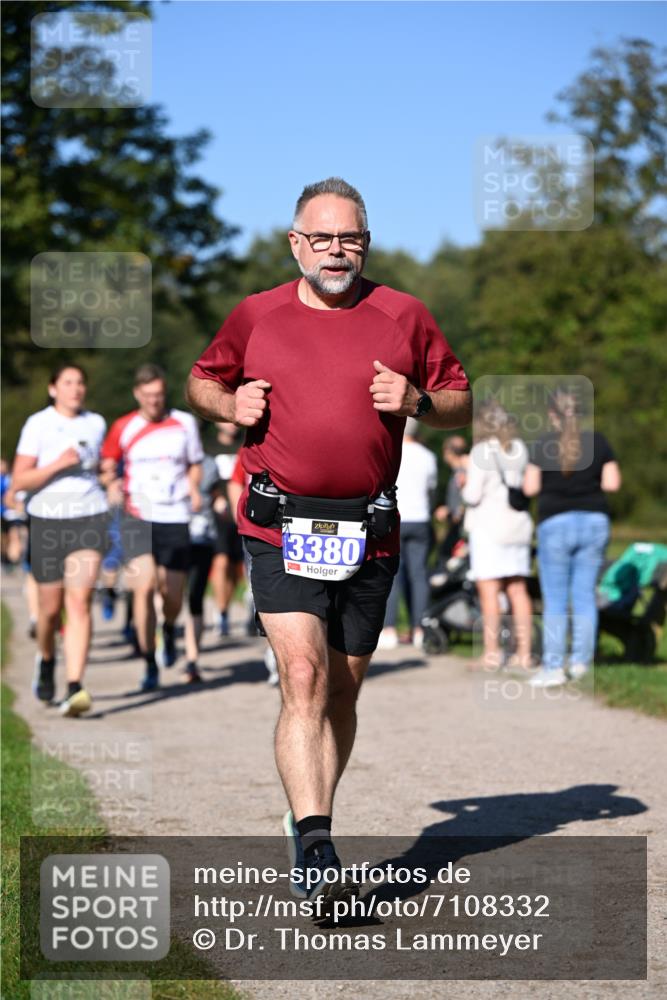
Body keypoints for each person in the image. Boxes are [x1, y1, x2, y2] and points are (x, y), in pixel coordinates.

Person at [186, 177, 471, 901]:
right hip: (276, 521)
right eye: (322, 238)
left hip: (369, 526)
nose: (336, 251)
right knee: (304, 677)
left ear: (365, 244)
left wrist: (417, 402)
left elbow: (461, 401)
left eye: (350, 239)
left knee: (341, 692)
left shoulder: (403, 315)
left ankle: (308, 811)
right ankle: (317, 850)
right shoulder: (256, 315)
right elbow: (201, 381)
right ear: (295, 243)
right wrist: (230, 398)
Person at [11, 364, 108, 716]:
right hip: (48, 520)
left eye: (80, 382)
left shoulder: (96, 423)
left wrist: (107, 473)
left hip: (89, 516)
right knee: (50, 611)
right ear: (53, 388)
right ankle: (48, 659)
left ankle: (75, 686)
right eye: (68, 383)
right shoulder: (38, 424)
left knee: (79, 601)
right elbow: (20, 480)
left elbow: (98, 468)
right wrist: (57, 465)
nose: (75, 388)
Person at [101, 364, 203, 692]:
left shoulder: (184, 423)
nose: (154, 402)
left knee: (172, 595)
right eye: (148, 397)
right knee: (142, 588)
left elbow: (195, 463)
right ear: (137, 395)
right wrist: (110, 483)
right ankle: (148, 661)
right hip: (137, 515)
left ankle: (169, 628)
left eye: (159, 395)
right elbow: (106, 465)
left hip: (174, 515)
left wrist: (195, 487)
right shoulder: (123, 427)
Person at [524, 389, 621, 686]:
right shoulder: (598, 441)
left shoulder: (542, 444)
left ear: (552, 415)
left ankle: (553, 667)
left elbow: (529, 488)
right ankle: (580, 663)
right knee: (584, 596)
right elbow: (612, 483)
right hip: (594, 521)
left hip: (555, 524)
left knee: (554, 600)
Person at [462, 402, 533, 671]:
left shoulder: (481, 451)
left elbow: (472, 495)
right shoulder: (519, 448)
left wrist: (463, 485)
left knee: (489, 592)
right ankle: (524, 654)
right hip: (518, 526)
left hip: (489, 529)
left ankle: (492, 654)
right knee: (517, 590)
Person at [377, 417, 437, 650]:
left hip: (395, 517)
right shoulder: (428, 457)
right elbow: (431, 490)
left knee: (392, 575)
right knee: (419, 574)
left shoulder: (389, 451)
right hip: (421, 518)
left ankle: (389, 629)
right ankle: (419, 628)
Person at [183, 448, 223, 683]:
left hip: (203, 535)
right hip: (170, 532)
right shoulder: (167, 458)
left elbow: (216, 494)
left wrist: (221, 505)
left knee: (195, 596)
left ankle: (191, 660)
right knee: (168, 594)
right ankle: (166, 629)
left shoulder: (210, 464)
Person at [212, 422, 245, 636]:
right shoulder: (208, 447)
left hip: (242, 513)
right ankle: (221, 611)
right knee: (221, 561)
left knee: (237, 568)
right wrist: (216, 498)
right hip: (217, 514)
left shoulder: (246, 442)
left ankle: (226, 605)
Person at [434, 435, 469, 565]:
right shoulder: (459, 471)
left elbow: (466, 498)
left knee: (444, 557)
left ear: (449, 452)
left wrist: (456, 513)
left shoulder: (462, 473)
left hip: (461, 527)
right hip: (459, 524)